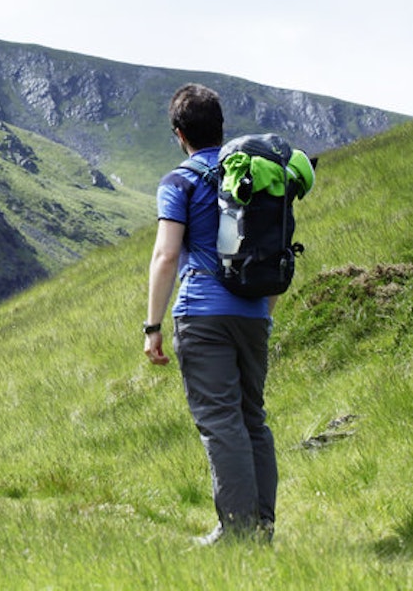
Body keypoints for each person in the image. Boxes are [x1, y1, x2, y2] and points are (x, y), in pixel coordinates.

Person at [143, 83, 277, 544]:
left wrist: (152, 326)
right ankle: (262, 526)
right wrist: (264, 311)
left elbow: (165, 255)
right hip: (255, 312)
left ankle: (238, 533)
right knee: (251, 418)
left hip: (203, 314)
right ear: (221, 128)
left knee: (221, 423)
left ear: (179, 134)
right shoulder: (250, 175)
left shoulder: (179, 181)